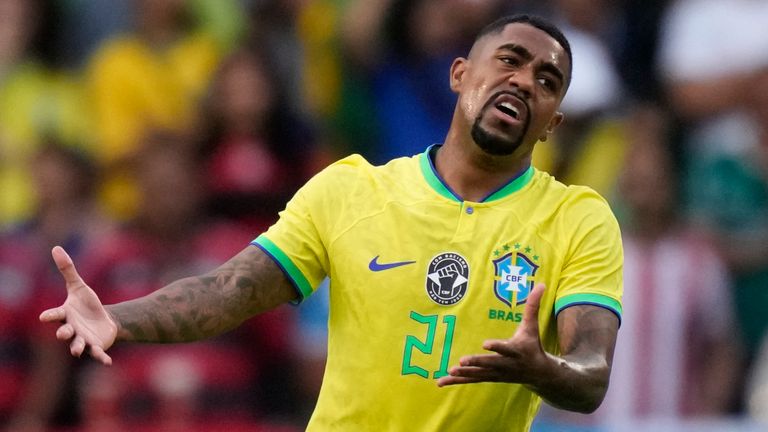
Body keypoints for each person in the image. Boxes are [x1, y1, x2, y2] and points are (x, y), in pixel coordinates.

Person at [39, 14, 623, 431]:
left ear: (552, 123)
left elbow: (591, 370)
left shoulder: (578, 218)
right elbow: (228, 292)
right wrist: (118, 317)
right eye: (510, 61)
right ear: (460, 74)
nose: (524, 81)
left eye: (547, 82)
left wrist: (547, 369)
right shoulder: (351, 190)